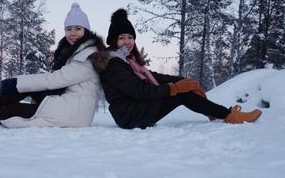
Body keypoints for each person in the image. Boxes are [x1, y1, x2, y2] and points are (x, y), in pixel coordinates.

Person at [0, 3, 107, 128]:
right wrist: (20, 85)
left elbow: (57, 79)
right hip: (68, 103)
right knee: (26, 89)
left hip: (73, 113)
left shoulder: (87, 56)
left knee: (13, 110)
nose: (73, 33)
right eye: (69, 29)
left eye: (78, 28)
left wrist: (18, 81)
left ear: (86, 31)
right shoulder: (75, 51)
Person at [99, 9, 262, 129]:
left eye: (130, 37)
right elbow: (140, 91)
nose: (127, 41)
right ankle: (228, 115)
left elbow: (155, 77)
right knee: (181, 94)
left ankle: (214, 112)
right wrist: (175, 88)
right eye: (122, 38)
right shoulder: (114, 64)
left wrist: (182, 81)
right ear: (114, 41)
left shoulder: (129, 61)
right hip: (130, 116)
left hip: (136, 109)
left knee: (183, 89)